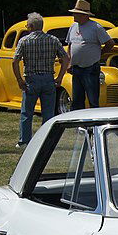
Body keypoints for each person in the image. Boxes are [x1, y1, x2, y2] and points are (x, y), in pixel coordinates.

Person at [13, 13, 70, 147]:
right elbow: (66, 58)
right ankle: (47, 141)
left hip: (31, 79)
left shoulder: (24, 41)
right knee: (48, 112)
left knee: (27, 112)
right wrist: (60, 77)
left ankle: (24, 141)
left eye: (27, 25)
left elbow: (15, 61)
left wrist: (19, 80)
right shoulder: (53, 40)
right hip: (48, 78)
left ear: (31, 26)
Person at [66, 0, 114, 109]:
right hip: (76, 68)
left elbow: (110, 43)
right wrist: (69, 62)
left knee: (93, 100)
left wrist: (100, 54)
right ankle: (80, 125)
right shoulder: (73, 27)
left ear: (84, 15)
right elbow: (70, 45)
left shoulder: (96, 27)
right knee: (77, 100)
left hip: (91, 68)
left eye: (76, 13)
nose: (74, 15)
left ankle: (94, 125)